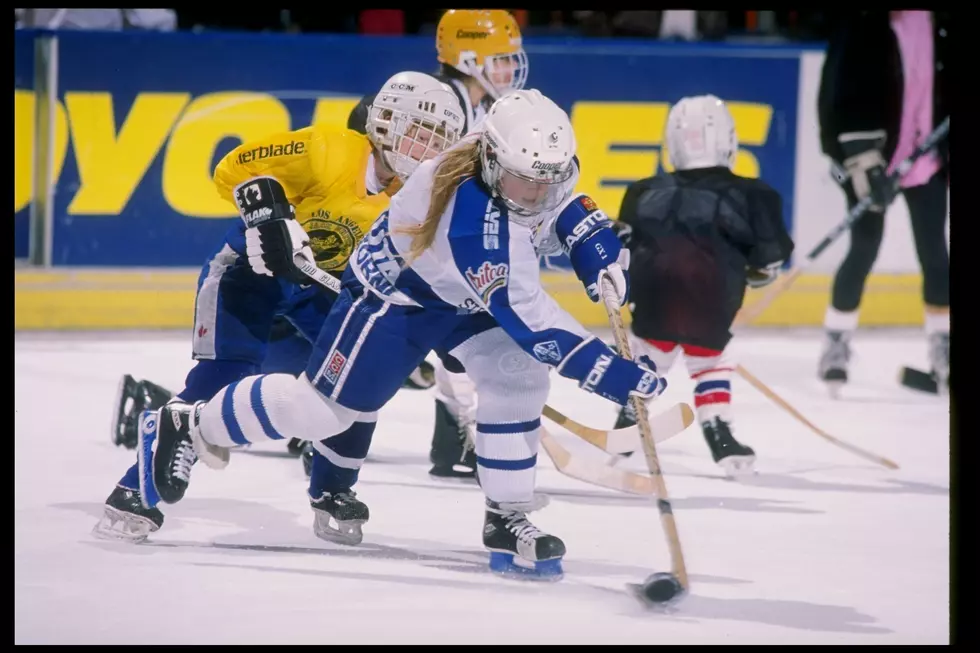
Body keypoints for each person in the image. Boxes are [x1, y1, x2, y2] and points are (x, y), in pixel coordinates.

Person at [134, 90, 667, 580]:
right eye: (525, 180)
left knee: (517, 379)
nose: (536, 192)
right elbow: (534, 323)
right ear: (490, 161)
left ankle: (508, 516)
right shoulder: (473, 223)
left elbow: (556, 207)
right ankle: (191, 424)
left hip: (459, 293)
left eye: (549, 179)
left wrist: (591, 243)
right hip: (397, 299)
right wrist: (612, 374)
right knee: (324, 411)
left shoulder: (510, 162)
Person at [93, 72, 465, 543]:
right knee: (219, 378)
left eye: (437, 141)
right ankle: (134, 492)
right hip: (249, 274)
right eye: (419, 133)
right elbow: (232, 167)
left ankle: (332, 488)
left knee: (357, 380)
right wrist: (271, 213)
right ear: (386, 123)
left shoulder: (416, 199)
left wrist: (421, 329)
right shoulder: (329, 149)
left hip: (315, 289)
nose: (425, 149)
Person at [345, 9, 529, 480]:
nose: (510, 70)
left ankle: (452, 438)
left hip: (418, 240)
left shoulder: (481, 109)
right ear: (468, 58)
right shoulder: (435, 101)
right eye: (500, 59)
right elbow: (365, 118)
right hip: (387, 241)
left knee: (463, 321)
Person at [610, 95, 794, 476]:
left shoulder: (642, 190)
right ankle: (718, 430)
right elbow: (768, 260)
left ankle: (630, 418)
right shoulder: (755, 194)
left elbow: (625, 247)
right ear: (728, 140)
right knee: (712, 361)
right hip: (710, 308)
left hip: (652, 307)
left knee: (650, 358)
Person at [815, 10, 949, 396]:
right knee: (864, 248)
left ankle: (943, 350)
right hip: (871, 159)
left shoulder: (938, 23)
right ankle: (836, 345)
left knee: (936, 256)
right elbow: (837, 93)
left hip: (925, 158)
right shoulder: (863, 22)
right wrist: (859, 162)